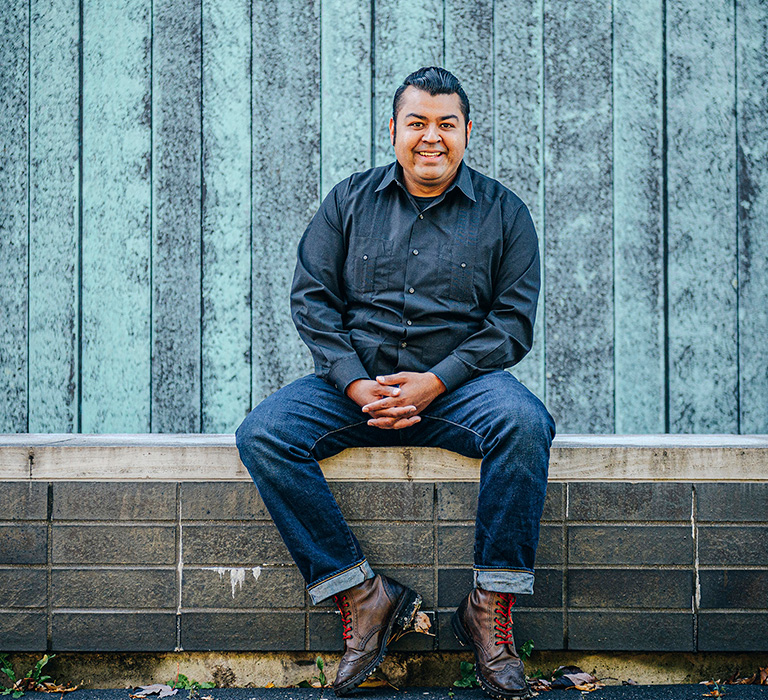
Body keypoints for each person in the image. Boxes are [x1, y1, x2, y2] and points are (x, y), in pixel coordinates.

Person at [236, 66, 555, 699]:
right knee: (265, 433)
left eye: (446, 124)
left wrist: (436, 382)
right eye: (417, 123)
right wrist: (356, 384)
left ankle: (489, 610)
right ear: (393, 131)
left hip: (462, 390)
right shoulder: (348, 201)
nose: (430, 137)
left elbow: (512, 323)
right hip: (355, 387)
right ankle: (365, 595)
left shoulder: (504, 213)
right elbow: (313, 300)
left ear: (468, 131)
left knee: (525, 423)